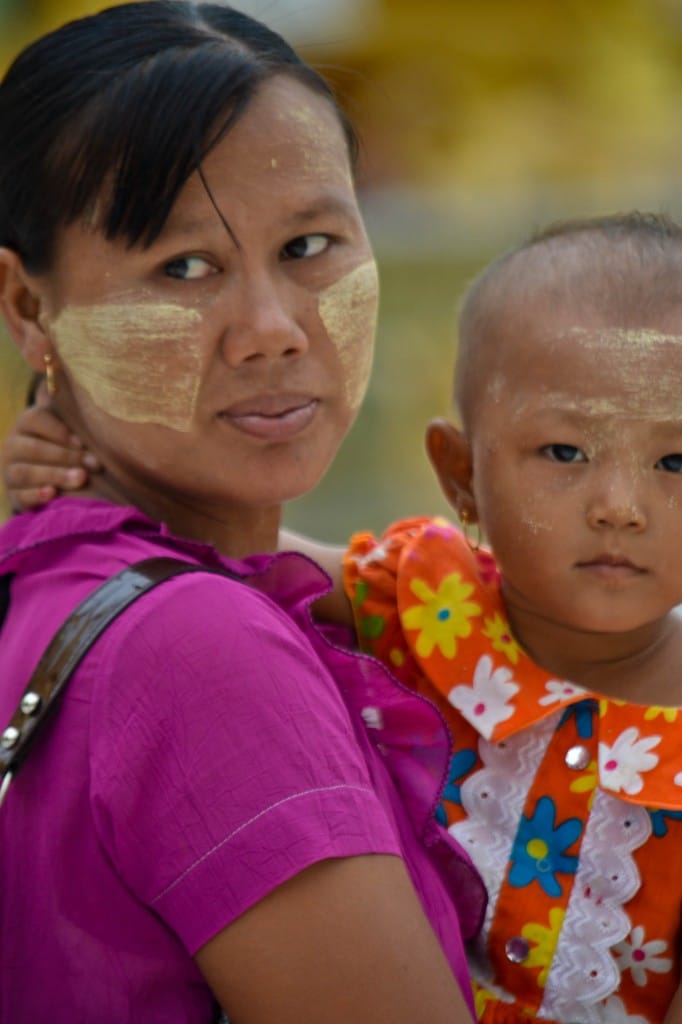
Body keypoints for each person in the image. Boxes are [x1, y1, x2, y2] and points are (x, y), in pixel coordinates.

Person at [10, 211, 682, 1023]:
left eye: (674, 460)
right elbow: (225, 551)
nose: (621, 508)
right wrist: (89, 462)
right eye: (565, 454)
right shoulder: (429, 605)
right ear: (460, 475)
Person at [0, 3, 487, 1021]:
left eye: (310, 245)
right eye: (183, 268)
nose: (270, 330)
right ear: (28, 308)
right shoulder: (197, 648)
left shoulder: (50, 576)